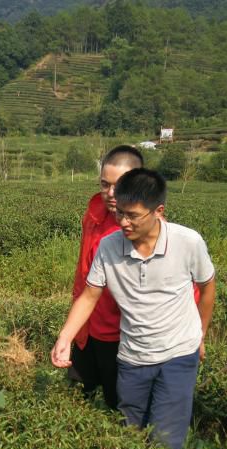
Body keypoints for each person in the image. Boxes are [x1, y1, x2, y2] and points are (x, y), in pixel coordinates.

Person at [51, 169, 216, 449]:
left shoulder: (188, 242)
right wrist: (64, 338)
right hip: (132, 356)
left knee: (164, 441)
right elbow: (90, 295)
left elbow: (207, 287)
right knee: (131, 433)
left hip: (178, 354)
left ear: (158, 211)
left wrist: (200, 335)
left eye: (133, 216)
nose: (124, 223)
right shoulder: (109, 246)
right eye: (120, 214)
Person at [68, 145, 144, 410]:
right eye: (104, 184)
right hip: (86, 327)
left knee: (119, 407)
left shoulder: (143, 227)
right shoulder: (93, 214)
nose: (111, 194)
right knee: (77, 399)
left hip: (120, 336)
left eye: (120, 185)